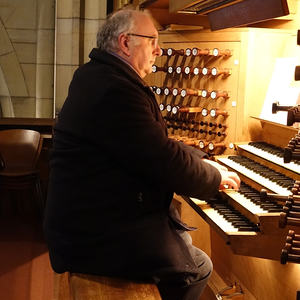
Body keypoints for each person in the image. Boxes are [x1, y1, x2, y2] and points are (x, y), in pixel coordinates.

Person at [44, 8, 240, 300]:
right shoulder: (115, 90)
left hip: (91, 222)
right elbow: (162, 158)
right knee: (198, 265)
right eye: (152, 41)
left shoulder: (101, 77)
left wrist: (203, 160)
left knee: (182, 241)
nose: (158, 51)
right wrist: (213, 177)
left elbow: (153, 144)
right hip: (96, 236)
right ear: (125, 42)